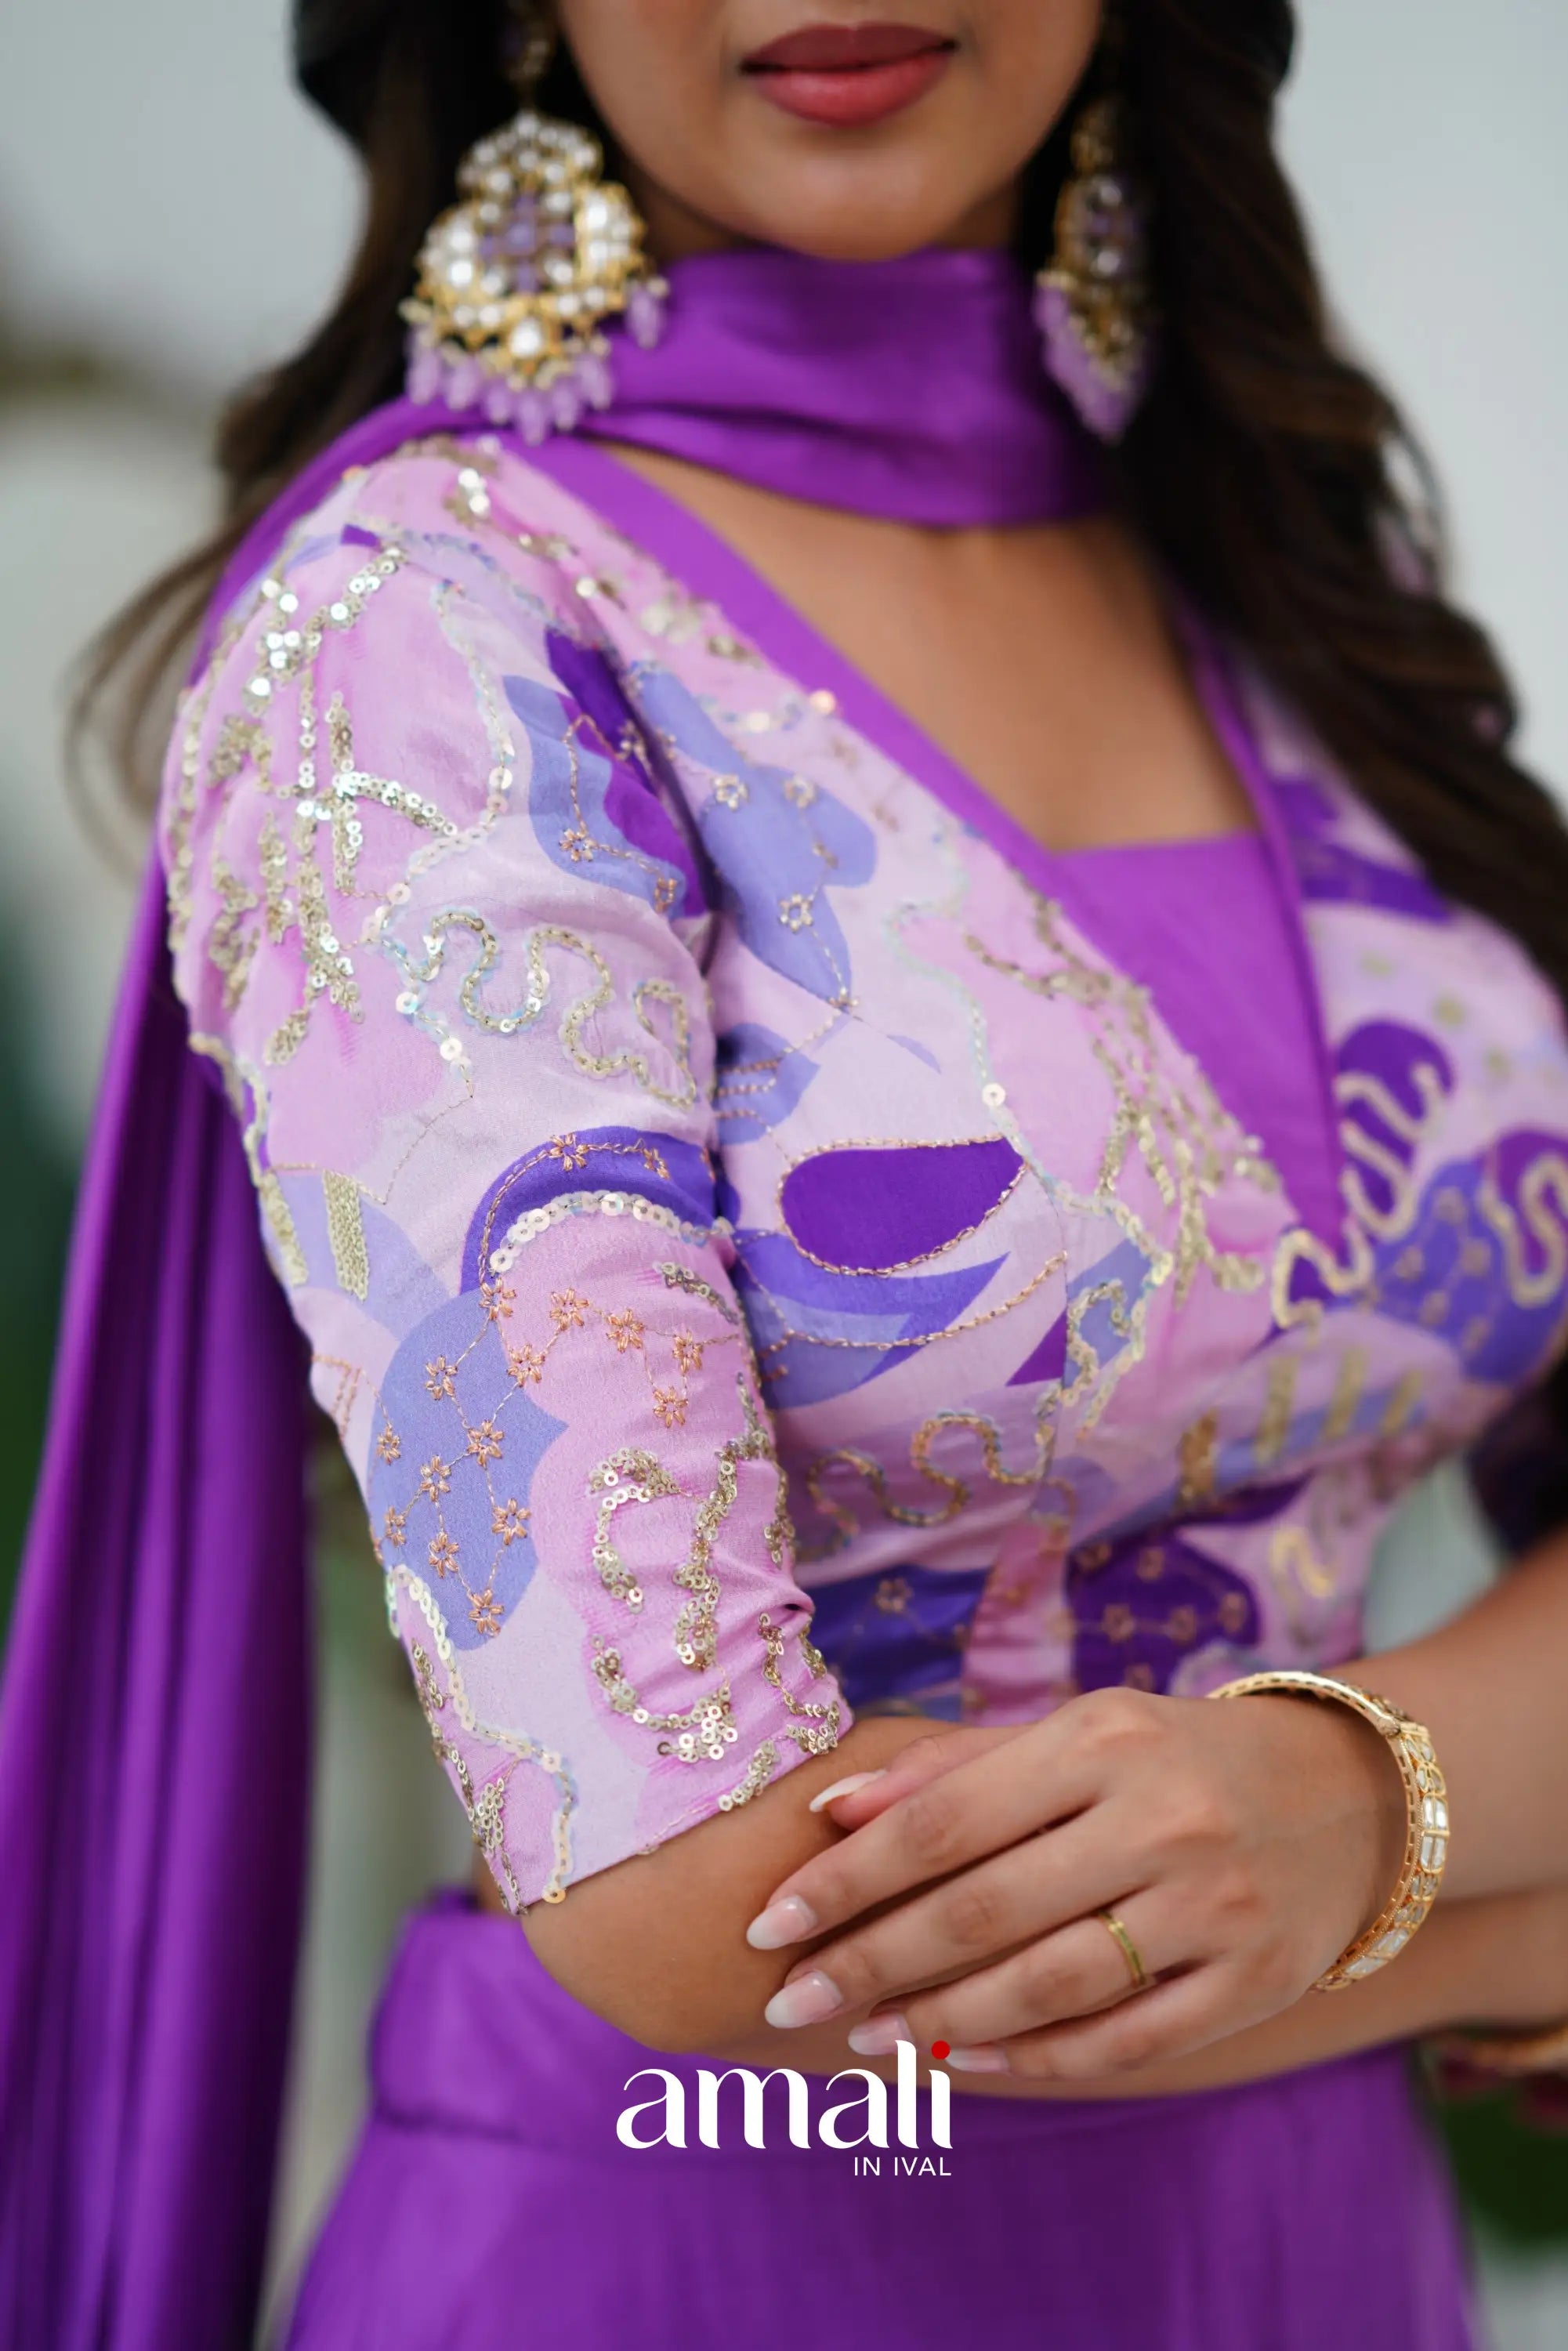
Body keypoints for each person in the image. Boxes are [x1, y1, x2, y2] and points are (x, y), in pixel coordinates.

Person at [5, 2, 1568, 2346]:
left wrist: (1356, 1800)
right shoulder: (429, 630)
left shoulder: (1276, 563)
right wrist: (1483, 1902)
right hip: (713, 2250)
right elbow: (710, 1891)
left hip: (1324, 2263)